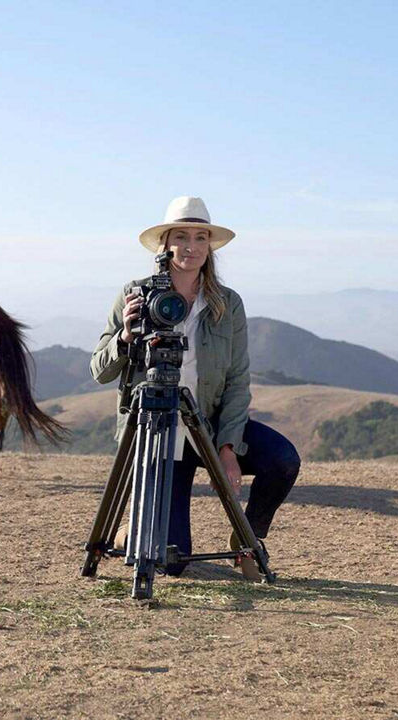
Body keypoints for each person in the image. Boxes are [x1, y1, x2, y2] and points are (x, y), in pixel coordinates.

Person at [90, 196, 300, 578]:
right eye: (181, 236)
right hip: (158, 429)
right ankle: (130, 533)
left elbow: (238, 379)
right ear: (164, 244)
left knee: (283, 458)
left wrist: (228, 447)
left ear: (210, 246)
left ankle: (247, 541)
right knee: (171, 561)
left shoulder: (227, 303)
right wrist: (124, 337)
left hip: (210, 422)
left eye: (201, 237)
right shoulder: (134, 294)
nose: (191, 246)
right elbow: (99, 370)